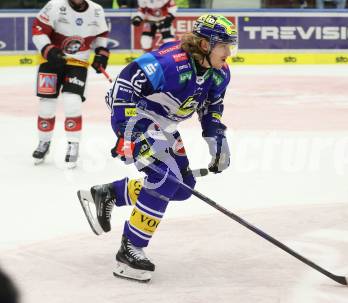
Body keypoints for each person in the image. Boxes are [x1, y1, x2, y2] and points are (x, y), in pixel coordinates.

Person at [77, 14, 237, 282]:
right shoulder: (169, 63)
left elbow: (212, 109)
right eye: (224, 45)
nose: (229, 53)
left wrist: (217, 141)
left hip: (163, 124)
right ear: (206, 45)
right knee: (165, 177)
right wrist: (127, 132)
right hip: (137, 118)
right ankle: (130, 249)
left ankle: (110, 194)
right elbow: (124, 85)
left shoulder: (219, 73)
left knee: (182, 187)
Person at [31, 0, 110, 168]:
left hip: (78, 63)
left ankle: (73, 144)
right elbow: (38, 28)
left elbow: (101, 35)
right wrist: (48, 49)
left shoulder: (97, 10)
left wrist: (101, 54)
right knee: (46, 105)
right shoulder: (54, 5)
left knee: (72, 102)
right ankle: (43, 142)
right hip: (50, 61)